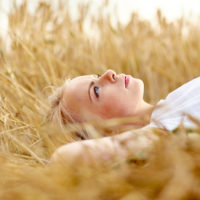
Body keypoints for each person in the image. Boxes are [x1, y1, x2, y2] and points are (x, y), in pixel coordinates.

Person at [48, 69, 200, 164]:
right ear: (101, 134)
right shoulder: (160, 134)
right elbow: (62, 159)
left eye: (99, 75)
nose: (109, 73)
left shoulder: (175, 100)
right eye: (96, 90)